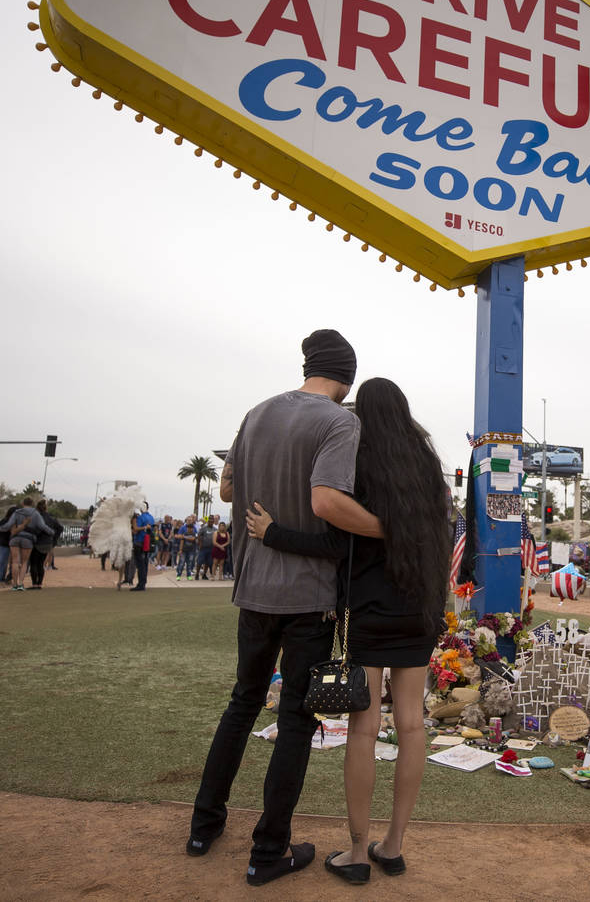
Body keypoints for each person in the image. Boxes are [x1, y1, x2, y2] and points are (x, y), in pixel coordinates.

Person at [187, 328, 381, 889]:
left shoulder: (257, 412)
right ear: (346, 377)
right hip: (308, 595)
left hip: (253, 587)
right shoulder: (341, 421)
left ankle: (204, 825)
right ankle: (267, 850)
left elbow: (226, 490)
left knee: (242, 703)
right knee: (295, 719)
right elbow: (327, 500)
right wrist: (384, 528)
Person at [244, 376, 451, 885]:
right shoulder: (429, 472)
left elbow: (336, 545)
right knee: (412, 725)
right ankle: (394, 845)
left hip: (369, 609)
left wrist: (275, 534)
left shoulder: (358, 467)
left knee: (363, 727)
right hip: (419, 612)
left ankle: (358, 851)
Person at [0, 497, 54, 591]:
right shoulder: (35, 513)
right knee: (24, 562)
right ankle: (21, 584)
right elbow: (42, 526)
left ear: (22, 503)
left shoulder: (17, 512)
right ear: (32, 503)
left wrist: (2, 528)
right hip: (28, 539)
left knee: (15, 562)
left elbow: (8, 525)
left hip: (15, 538)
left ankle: (14, 585)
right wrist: (51, 532)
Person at [28, 499, 63, 589]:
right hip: (47, 543)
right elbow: (60, 528)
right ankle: (39, 584)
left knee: (34, 563)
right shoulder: (51, 518)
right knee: (40, 564)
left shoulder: (36, 517)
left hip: (37, 542)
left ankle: (34, 584)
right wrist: (54, 539)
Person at [131, 501, 155, 591]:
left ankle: (141, 584)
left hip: (140, 542)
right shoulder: (151, 517)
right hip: (147, 543)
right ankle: (143, 582)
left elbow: (136, 529)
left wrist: (142, 527)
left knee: (140, 564)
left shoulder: (141, 517)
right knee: (144, 563)